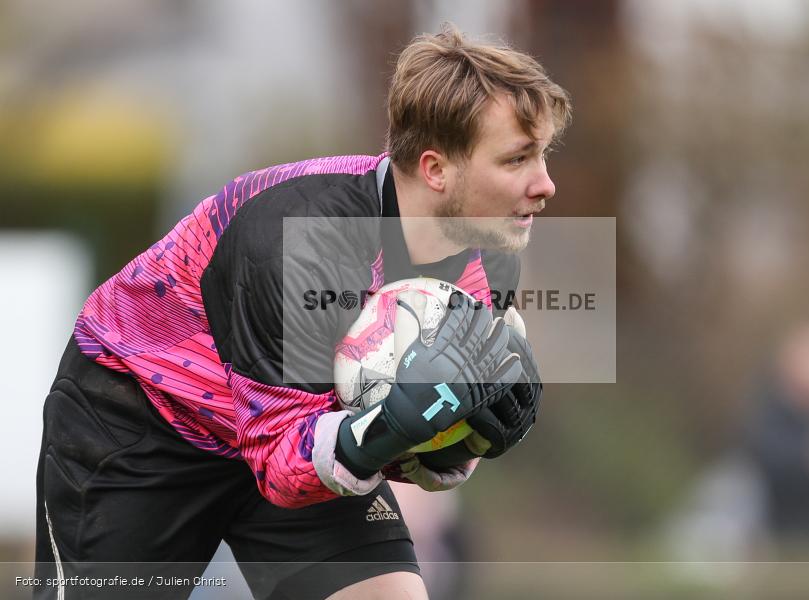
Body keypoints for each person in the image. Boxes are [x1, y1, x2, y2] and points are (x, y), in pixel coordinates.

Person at [34, 23, 570, 599]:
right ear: (437, 169)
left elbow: (398, 447)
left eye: (542, 155)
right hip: (141, 424)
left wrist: (465, 439)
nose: (546, 185)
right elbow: (283, 460)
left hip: (305, 432)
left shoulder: (493, 257)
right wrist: (393, 426)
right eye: (517, 159)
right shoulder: (294, 241)